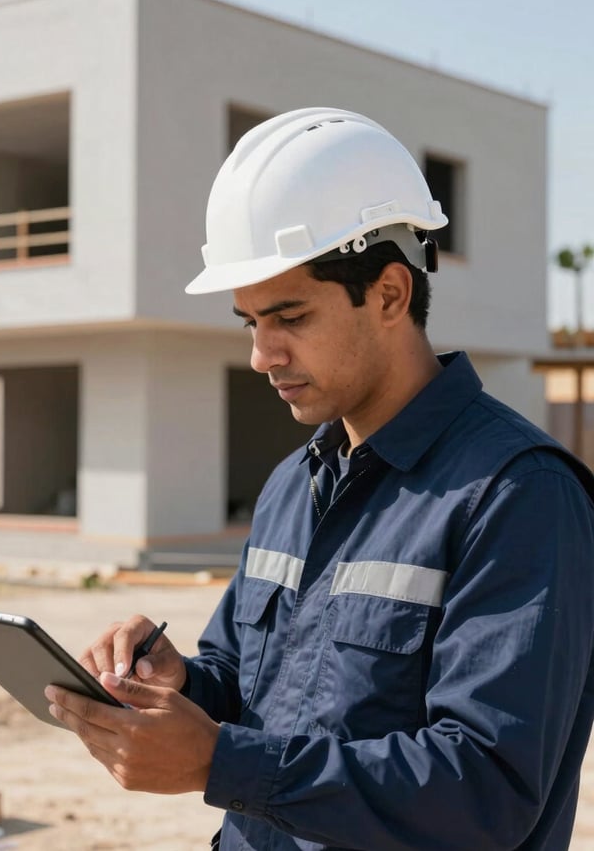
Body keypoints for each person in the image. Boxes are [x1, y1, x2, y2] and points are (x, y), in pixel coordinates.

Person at [45, 108, 594, 850]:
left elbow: (486, 790)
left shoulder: (516, 495)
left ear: (392, 295)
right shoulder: (292, 485)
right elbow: (251, 688)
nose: (261, 355)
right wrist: (179, 683)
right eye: (250, 323)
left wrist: (219, 761)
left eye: (290, 317)